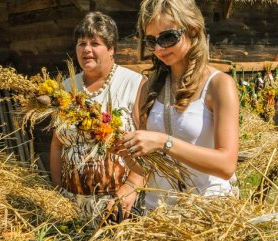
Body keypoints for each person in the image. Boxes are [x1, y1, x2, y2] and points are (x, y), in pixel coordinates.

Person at [115, 0, 239, 211]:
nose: (159, 48)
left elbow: (226, 165)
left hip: (208, 211)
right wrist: (126, 152)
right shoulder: (149, 87)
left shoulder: (218, 85)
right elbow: (147, 166)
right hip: (159, 213)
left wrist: (164, 142)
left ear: (192, 30)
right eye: (151, 41)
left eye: (168, 37)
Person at [50, 11, 147, 226]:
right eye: (81, 43)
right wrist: (57, 190)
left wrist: (132, 186)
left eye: (95, 43)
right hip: (70, 206)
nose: (86, 49)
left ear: (111, 49)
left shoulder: (133, 84)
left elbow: (147, 145)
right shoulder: (67, 88)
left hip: (118, 206)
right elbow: (58, 143)